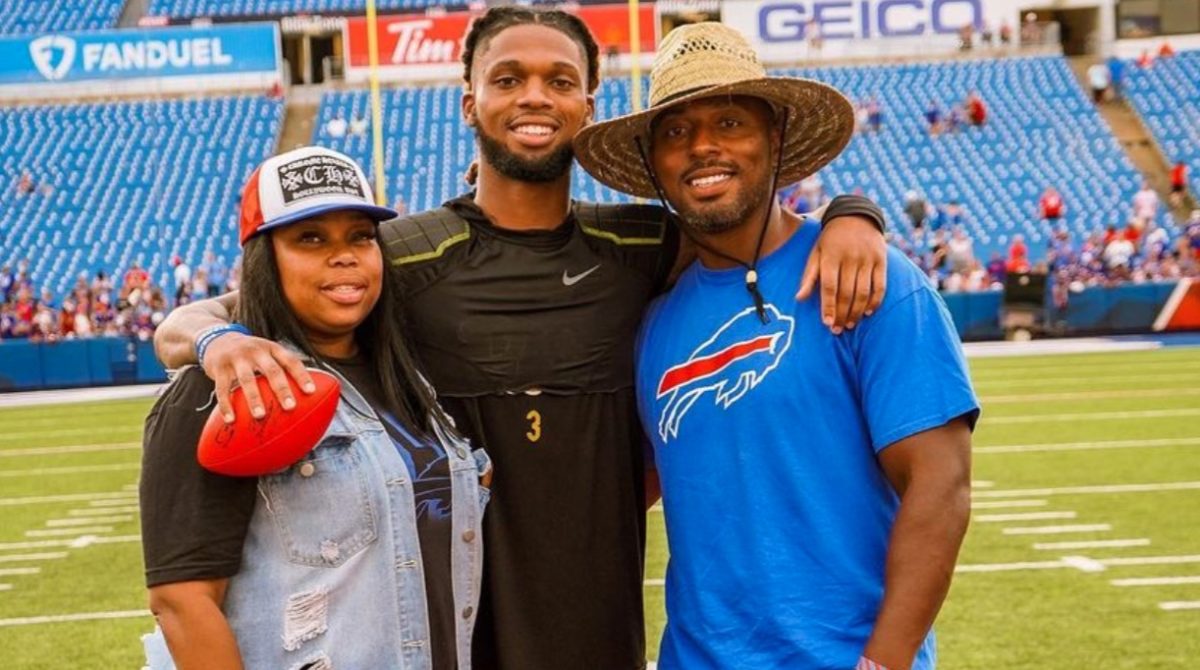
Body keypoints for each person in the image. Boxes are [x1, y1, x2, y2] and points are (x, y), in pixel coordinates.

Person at [154, 8, 889, 669]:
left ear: (587, 108)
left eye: (558, 80)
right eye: (508, 79)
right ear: (471, 101)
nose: (534, 96)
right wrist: (218, 343)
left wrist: (855, 213)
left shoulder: (641, 244)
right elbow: (198, 319)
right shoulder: (403, 255)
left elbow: (756, 231)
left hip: (598, 627)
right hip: (450, 632)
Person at [573, 22, 978, 670]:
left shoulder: (874, 281)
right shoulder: (649, 319)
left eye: (729, 122)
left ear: (776, 137)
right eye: (675, 131)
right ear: (654, 163)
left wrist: (886, 661)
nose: (702, 147)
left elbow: (942, 484)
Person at [139, 147, 490, 670]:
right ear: (265, 259)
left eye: (360, 237)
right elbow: (182, 602)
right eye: (310, 238)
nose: (344, 255)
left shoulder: (411, 379)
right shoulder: (222, 386)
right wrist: (212, 336)